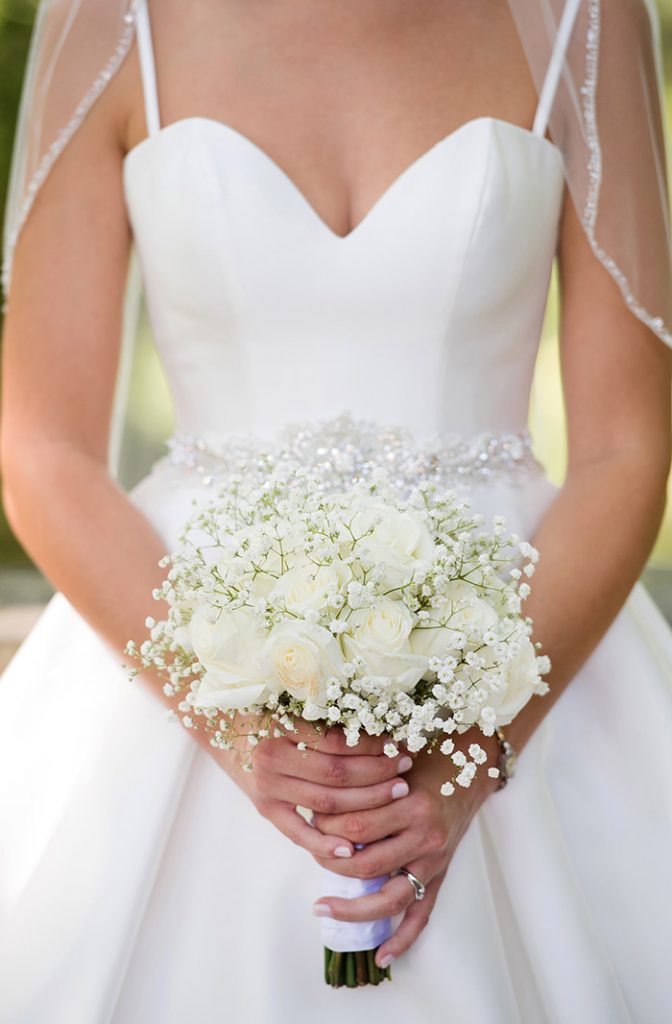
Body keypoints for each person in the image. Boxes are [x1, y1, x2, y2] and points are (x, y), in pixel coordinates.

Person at [1, 0, 671, 1020]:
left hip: (521, 656)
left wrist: (472, 751)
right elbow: (41, 448)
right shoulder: (109, 17)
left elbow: (628, 447)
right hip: (175, 651)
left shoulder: (584, 17)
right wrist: (228, 719)